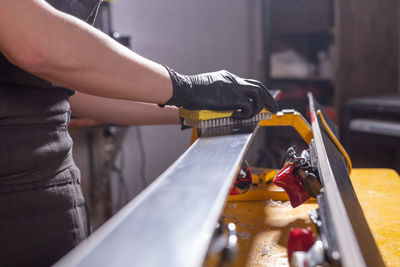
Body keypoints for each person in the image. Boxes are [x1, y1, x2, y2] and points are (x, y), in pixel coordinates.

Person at [0, 0, 278, 266]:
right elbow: (37, 42)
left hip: (54, 184)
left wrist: (190, 110)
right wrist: (185, 87)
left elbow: (70, 86)